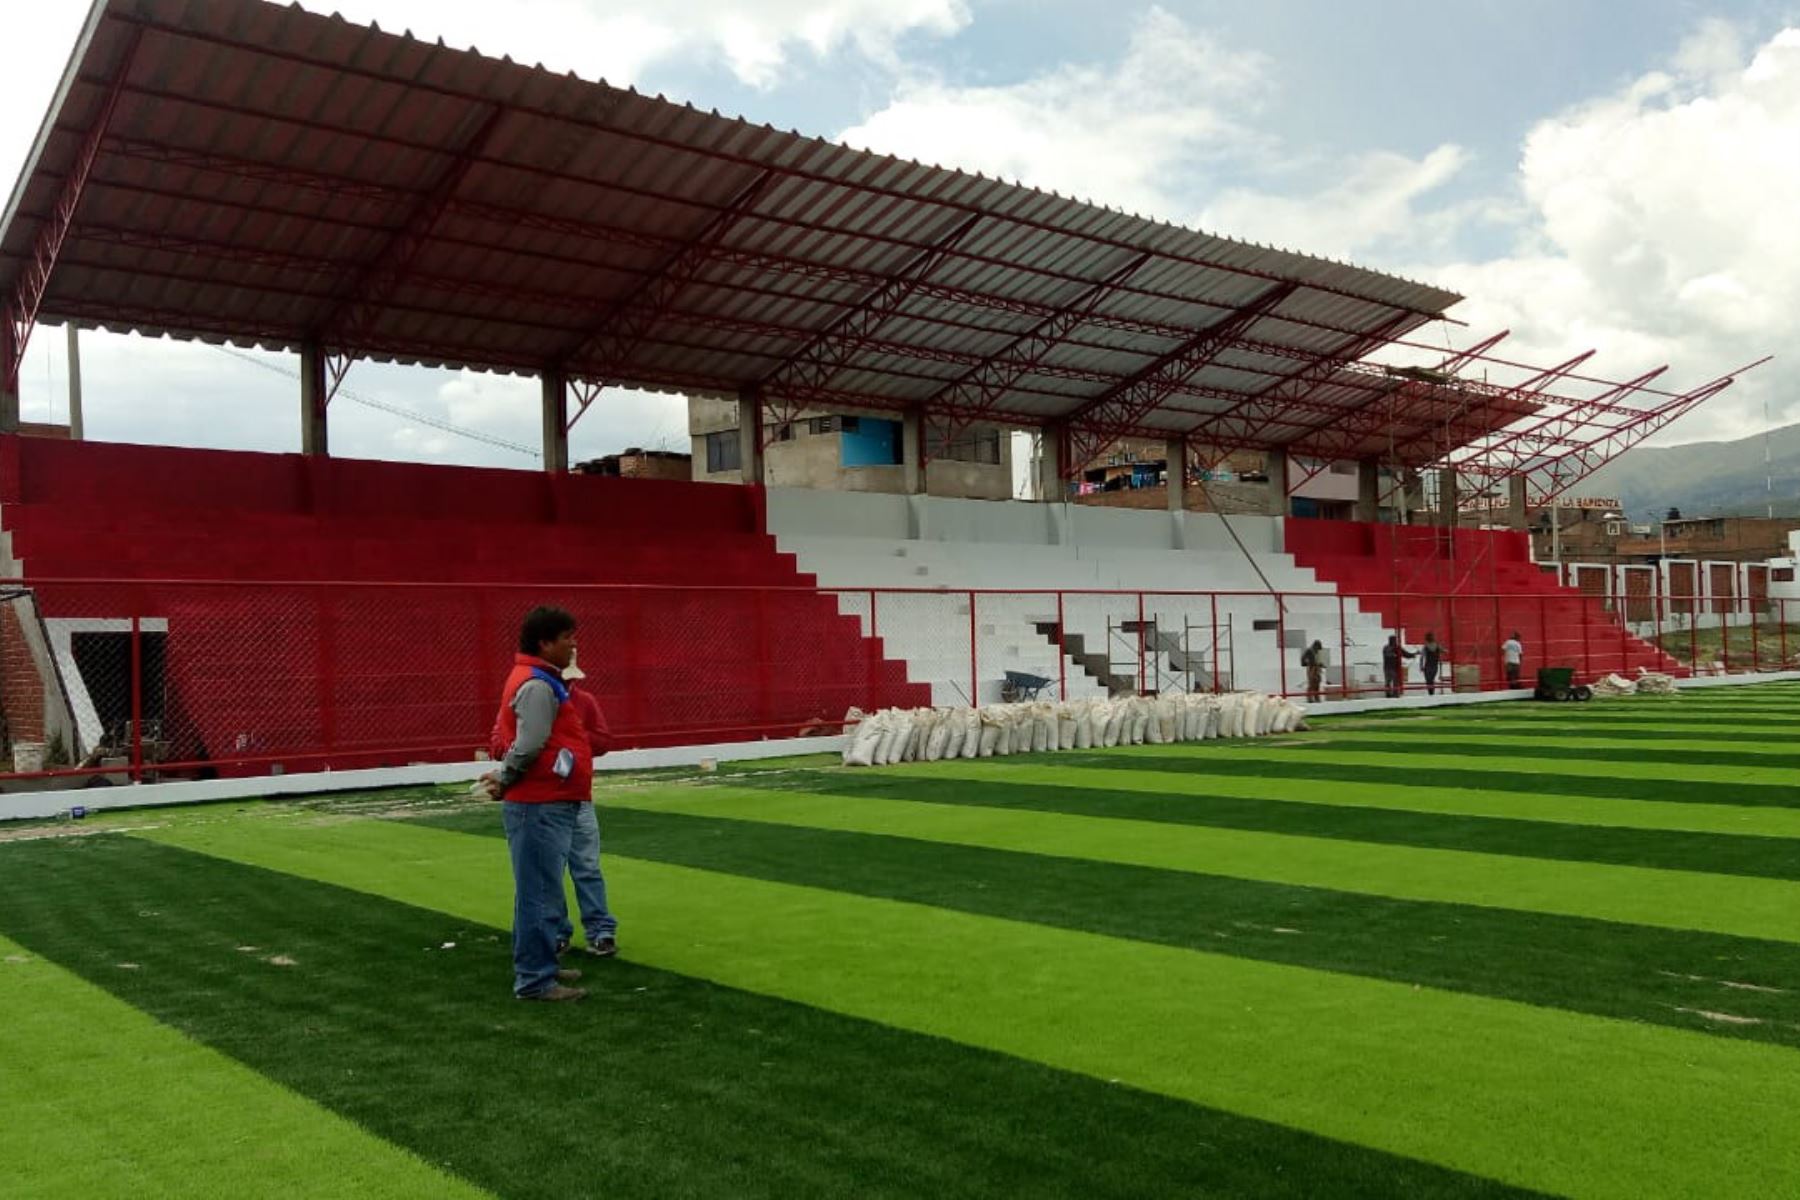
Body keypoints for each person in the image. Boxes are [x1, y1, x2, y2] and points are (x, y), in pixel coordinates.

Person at [478, 606, 593, 1002]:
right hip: (541, 801)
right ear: (545, 643)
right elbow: (529, 743)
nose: (573, 644)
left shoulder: (530, 679)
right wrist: (506, 776)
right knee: (539, 892)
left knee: (540, 889)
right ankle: (535, 978)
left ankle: (540, 964)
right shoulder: (539, 685)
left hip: (544, 799)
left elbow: (504, 732)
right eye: (567, 638)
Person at [554, 653, 618, 961]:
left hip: (576, 794)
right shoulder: (535, 695)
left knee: (586, 867)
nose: (568, 682)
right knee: (553, 871)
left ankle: (600, 931)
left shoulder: (584, 701)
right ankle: (557, 932)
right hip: (550, 797)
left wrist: (574, 737)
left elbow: (604, 741)